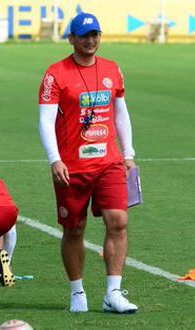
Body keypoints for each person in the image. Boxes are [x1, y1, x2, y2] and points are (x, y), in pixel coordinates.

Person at [38, 13, 138, 314]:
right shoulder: (55, 74)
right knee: (74, 230)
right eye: (84, 35)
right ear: (71, 39)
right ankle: (77, 291)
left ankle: (113, 293)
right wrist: (54, 159)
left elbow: (121, 112)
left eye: (95, 34)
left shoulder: (112, 69)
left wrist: (128, 152)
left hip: (109, 163)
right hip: (72, 166)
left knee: (118, 222)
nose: (90, 40)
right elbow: (45, 120)